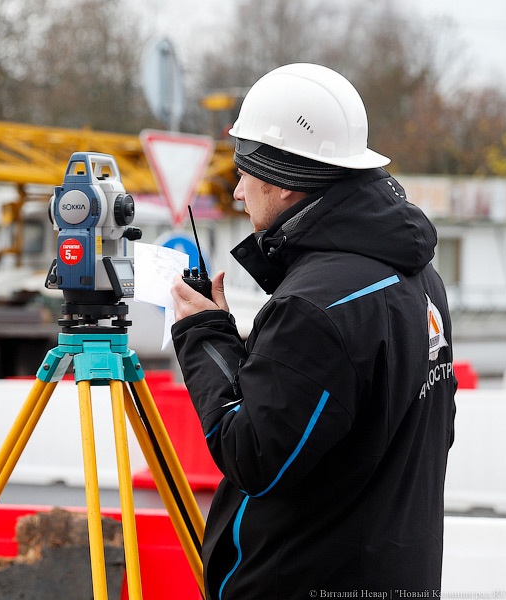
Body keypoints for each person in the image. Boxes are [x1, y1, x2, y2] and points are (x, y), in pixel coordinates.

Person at [170, 63, 456, 599]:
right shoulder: (417, 275)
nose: (236, 192)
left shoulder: (316, 306)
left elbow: (255, 456)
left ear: (281, 180)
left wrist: (203, 336)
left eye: (243, 172)